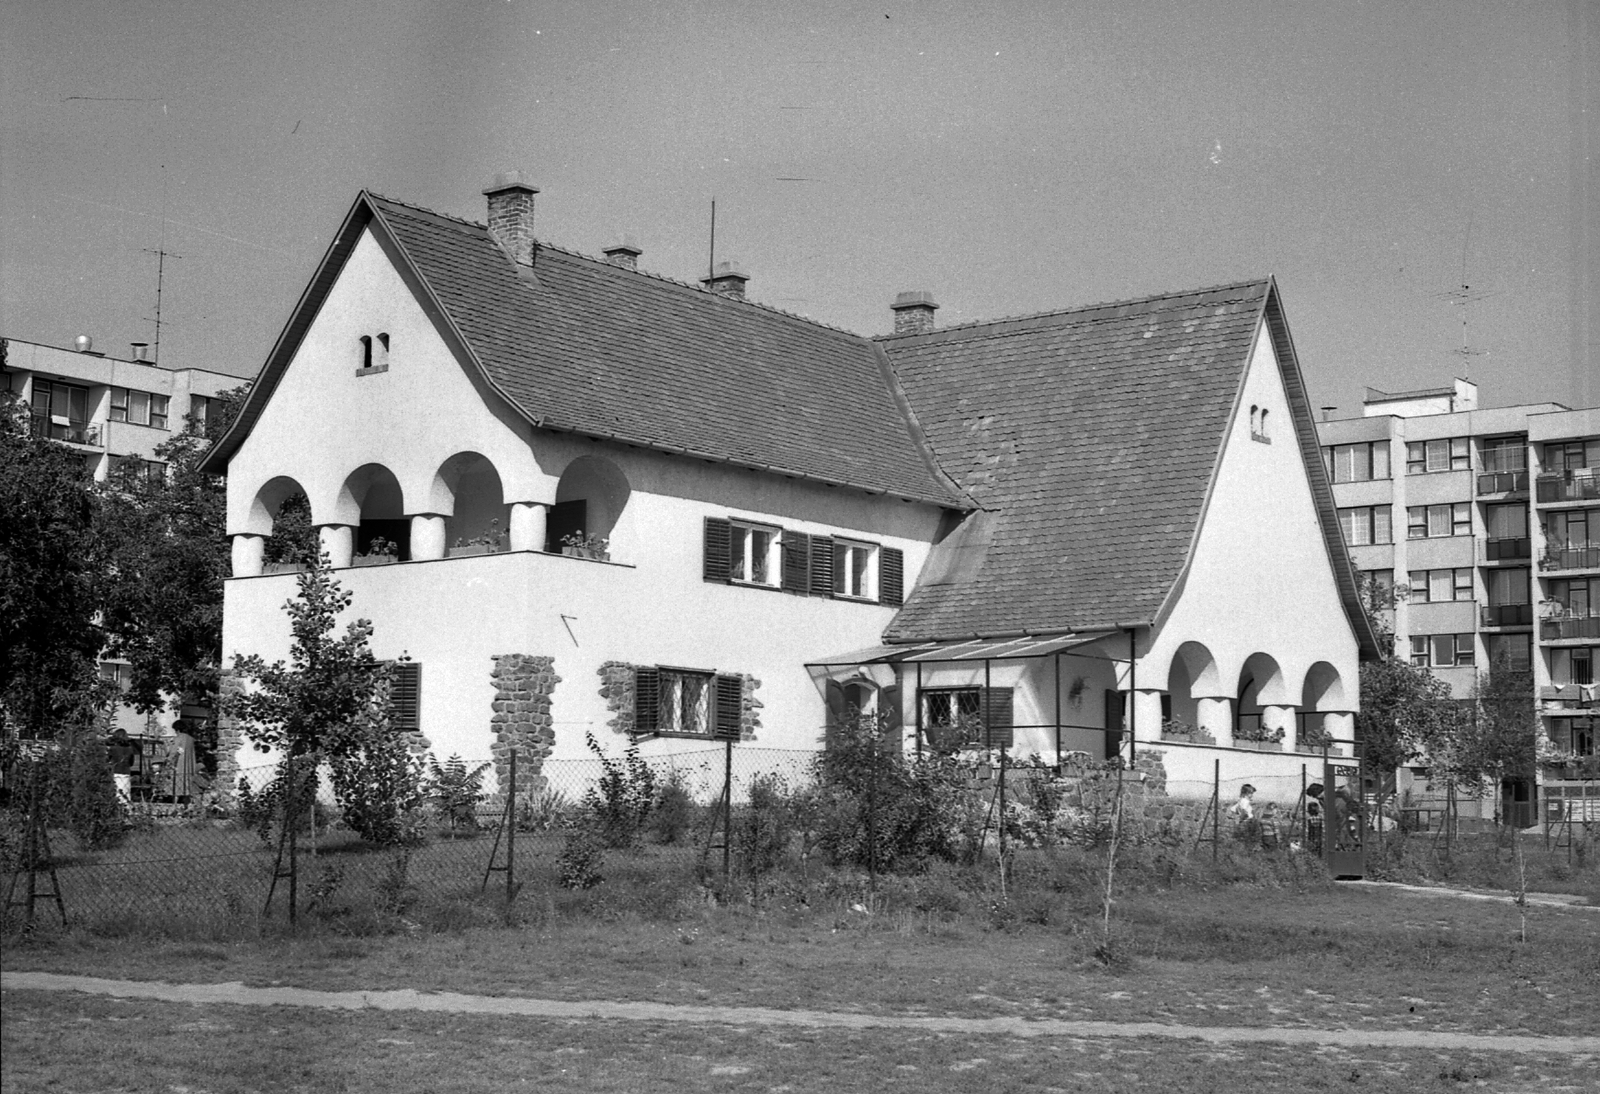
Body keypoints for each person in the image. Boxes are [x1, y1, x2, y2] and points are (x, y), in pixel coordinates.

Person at [166, 719, 198, 803]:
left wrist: (168, 760)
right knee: (187, 785)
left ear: (177, 729)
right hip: (189, 766)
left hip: (178, 766)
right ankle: (187, 804)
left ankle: (175, 805)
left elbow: (173, 752)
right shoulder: (191, 739)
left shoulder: (177, 739)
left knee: (177, 786)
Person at [107, 728, 137, 807]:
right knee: (126, 794)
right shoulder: (130, 749)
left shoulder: (112, 749)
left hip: (115, 772)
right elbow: (131, 763)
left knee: (116, 794)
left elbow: (107, 760)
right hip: (126, 773)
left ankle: (117, 811)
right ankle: (126, 811)